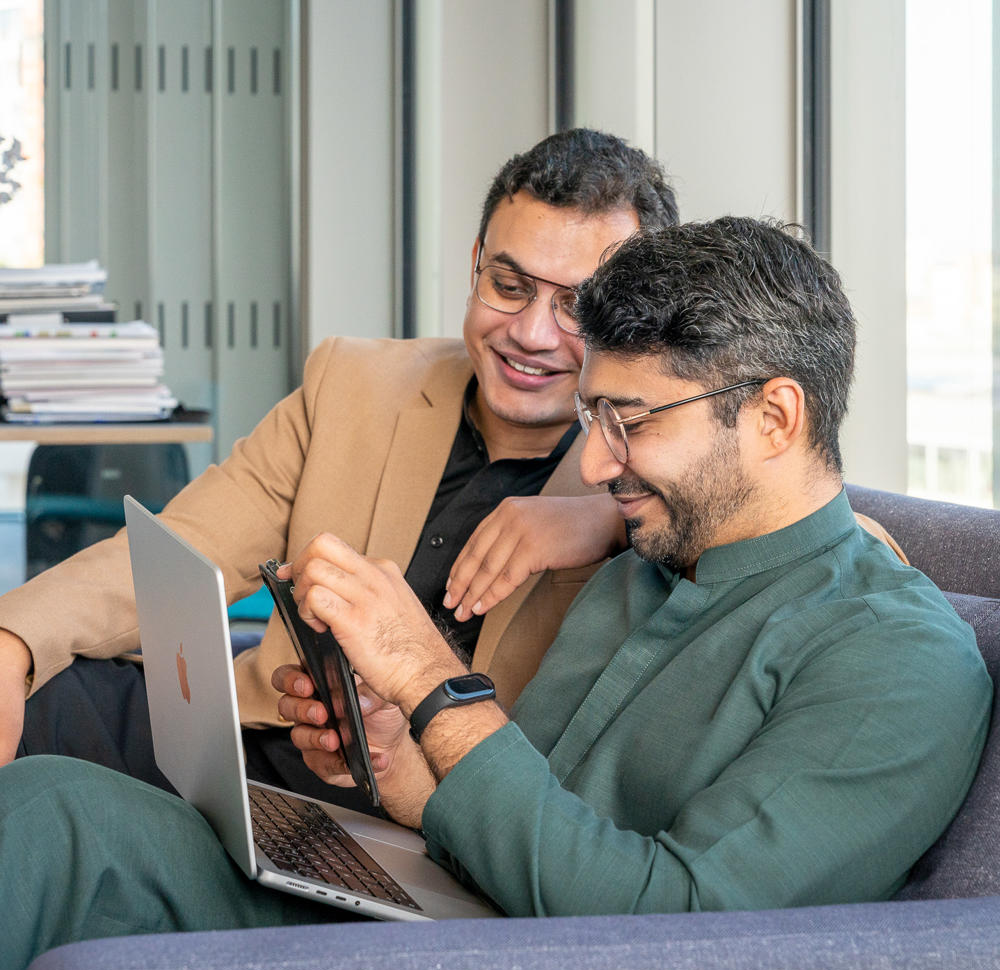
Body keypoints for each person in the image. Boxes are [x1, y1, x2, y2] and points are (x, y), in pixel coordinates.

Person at [0, 218, 987, 970]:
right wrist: (402, 771)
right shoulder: (645, 567)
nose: (593, 467)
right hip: (446, 907)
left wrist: (430, 677)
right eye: (592, 418)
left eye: (629, 423)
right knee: (56, 805)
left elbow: (683, 931)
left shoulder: (895, 660)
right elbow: (531, 817)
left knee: (53, 835)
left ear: (774, 416)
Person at [0, 128, 680, 797]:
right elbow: (184, 550)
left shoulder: (661, 465)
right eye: (508, 285)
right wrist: (13, 641)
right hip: (253, 747)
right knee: (36, 698)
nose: (530, 334)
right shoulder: (353, 383)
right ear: (476, 263)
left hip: (436, 815)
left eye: (577, 306)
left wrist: (609, 519)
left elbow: (736, 544)